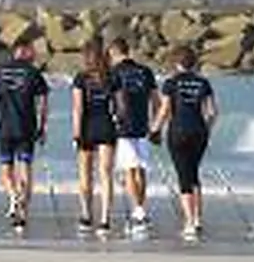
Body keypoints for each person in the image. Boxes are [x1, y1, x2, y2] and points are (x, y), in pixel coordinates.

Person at [0, 42, 49, 233]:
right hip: (27, 129)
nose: (34, 54)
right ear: (24, 52)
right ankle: (22, 215)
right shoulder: (34, 73)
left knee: (6, 169)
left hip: (6, 129)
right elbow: (43, 103)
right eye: (31, 52)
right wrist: (43, 127)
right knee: (25, 169)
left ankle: (13, 195)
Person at [151, 44, 217, 240]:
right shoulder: (203, 83)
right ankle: (197, 218)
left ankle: (189, 222)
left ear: (176, 63)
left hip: (178, 131)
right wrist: (207, 129)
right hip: (199, 130)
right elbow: (212, 112)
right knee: (194, 173)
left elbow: (164, 110)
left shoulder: (171, 83)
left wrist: (155, 130)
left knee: (183, 176)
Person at [108, 36, 159, 234]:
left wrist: (114, 120)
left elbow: (117, 99)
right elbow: (156, 100)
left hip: (124, 126)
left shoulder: (115, 73)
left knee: (129, 170)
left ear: (114, 52)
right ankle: (140, 208)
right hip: (142, 125)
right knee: (141, 169)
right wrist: (156, 126)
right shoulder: (145, 71)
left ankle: (138, 210)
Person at [71, 36, 119, 236]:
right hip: (106, 126)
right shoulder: (111, 77)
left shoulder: (81, 79)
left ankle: (86, 215)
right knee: (106, 174)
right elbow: (119, 107)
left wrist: (76, 134)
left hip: (87, 128)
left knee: (85, 174)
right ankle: (105, 219)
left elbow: (78, 109)